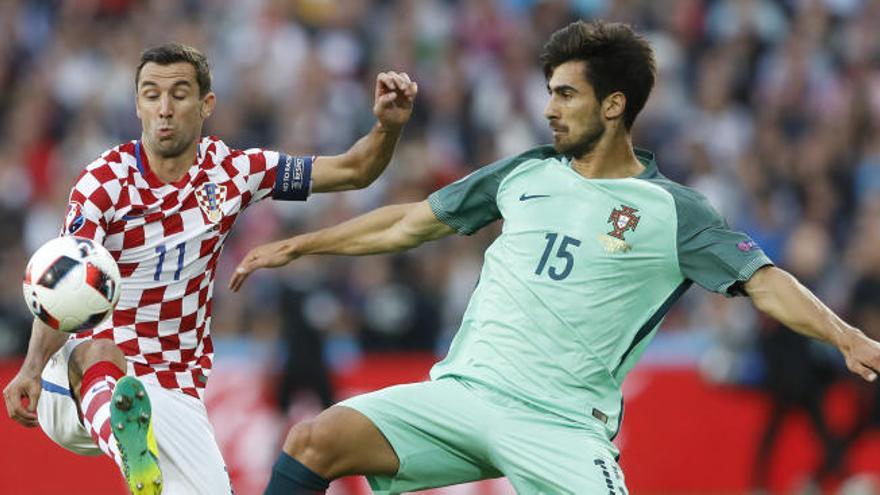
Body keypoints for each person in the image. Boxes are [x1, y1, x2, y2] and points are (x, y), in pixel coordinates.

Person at [231, 21, 880, 495]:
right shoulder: (525, 172)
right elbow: (409, 221)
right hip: (463, 393)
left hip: (561, 423)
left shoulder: (672, 211)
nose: (548, 108)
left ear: (613, 104)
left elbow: (763, 281)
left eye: (566, 93)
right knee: (313, 440)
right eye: (550, 91)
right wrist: (299, 243)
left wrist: (845, 335)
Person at [2, 42, 417, 495]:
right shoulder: (104, 182)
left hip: (173, 390)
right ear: (138, 104)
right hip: (80, 381)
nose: (164, 109)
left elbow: (354, 171)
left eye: (179, 95)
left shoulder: (233, 172)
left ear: (206, 105)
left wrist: (387, 128)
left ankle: (141, 455)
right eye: (151, 95)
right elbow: (63, 284)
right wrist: (30, 367)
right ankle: (128, 443)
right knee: (102, 352)